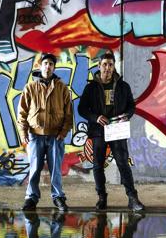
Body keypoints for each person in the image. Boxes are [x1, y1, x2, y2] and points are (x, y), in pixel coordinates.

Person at [78, 52, 145, 211]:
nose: (107, 68)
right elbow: (82, 109)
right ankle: (102, 197)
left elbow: (131, 106)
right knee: (98, 165)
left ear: (114, 66)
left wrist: (126, 116)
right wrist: (95, 117)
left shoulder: (123, 86)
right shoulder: (91, 87)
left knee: (123, 163)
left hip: (117, 130)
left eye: (110, 64)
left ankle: (132, 198)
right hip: (98, 131)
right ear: (99, 66)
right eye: (105, 64)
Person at [17, 53, 73, 212]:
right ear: (40, 66)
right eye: (45, 63)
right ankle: (31, 198)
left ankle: (58, 197)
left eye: (51, 64)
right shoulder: (30, 88)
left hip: (56, 136)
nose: (48, 66)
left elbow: (69, 113)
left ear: (54, 67)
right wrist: (23, 133)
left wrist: (63, 132)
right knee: (34, 168)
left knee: (56, 169)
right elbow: (22, 113)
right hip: (35, 135)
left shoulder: (61, 87)